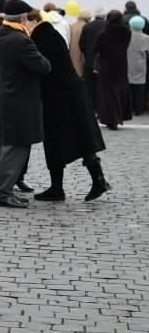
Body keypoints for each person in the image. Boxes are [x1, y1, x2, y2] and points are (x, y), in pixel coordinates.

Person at [27, 10, 110, 202]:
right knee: (81, 139)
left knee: (62, 141)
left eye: (27, 21)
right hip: (68, 95)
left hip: (60, 97)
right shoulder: (48, 35)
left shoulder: (42, 37)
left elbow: (44, 67)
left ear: (33, 20)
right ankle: (95, 181)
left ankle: (64, 187)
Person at [0, 0, 50, 208]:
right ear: (24, 18)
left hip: (2, 97)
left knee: (7, 145)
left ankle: (2, 189)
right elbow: (43, 67)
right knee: (15, 147)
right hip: (19, 101)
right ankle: (2, 191)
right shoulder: (21, 40)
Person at [94, 10, 132, 130]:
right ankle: (119, 116)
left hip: (106, 65)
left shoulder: (104, 33)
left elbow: (96, 49)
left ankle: (111, 118)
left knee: (108, 93)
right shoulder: (127, 32)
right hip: (121, 64)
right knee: (120, 90)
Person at [79, 8, 108, 112]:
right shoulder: (107, 26)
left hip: (89, 61)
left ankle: (92, 108)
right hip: (103, 61)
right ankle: (101, 107)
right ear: (104, 16)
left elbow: (81, 44)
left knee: (90, 86)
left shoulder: (87, 26)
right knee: (102, 87)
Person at [127, 16, 149, 116]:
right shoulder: (146, 38)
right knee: (139, 88)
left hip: (128, 63)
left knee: (128, 87)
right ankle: (138, 109)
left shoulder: (127, 36)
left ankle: (129, 108)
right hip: (140, 64)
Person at [69, 10, 92, 78]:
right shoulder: (87, 26)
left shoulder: (72, 26)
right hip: (82, 55)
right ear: (87, 18)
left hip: (71, 53)